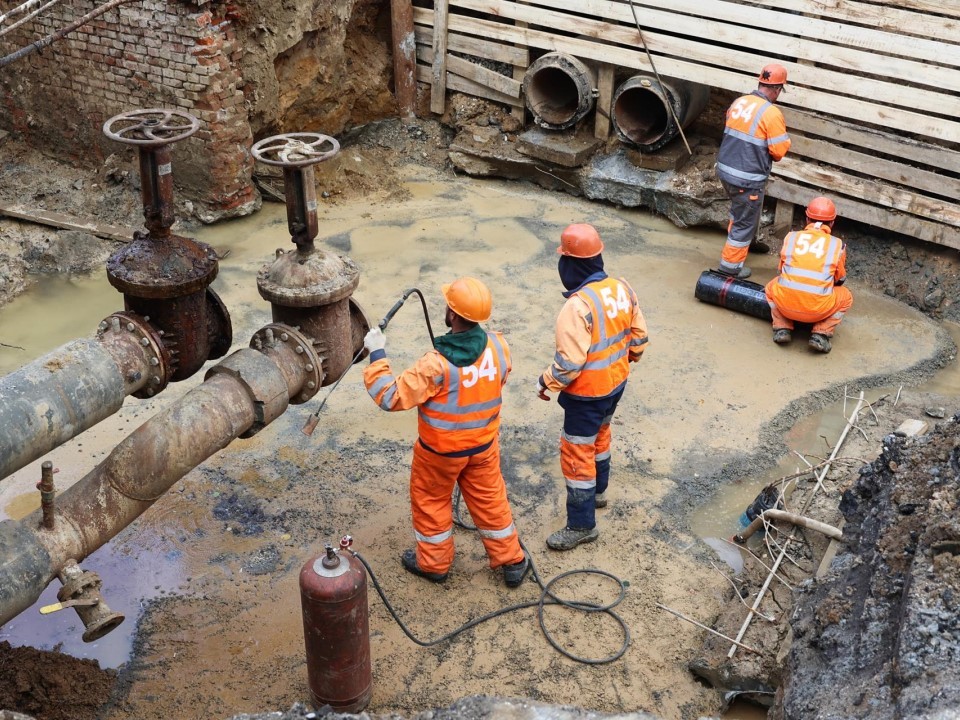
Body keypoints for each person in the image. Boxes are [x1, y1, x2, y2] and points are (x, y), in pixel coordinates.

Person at [361, 277, 529, 587]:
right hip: (482, 447)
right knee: (491, 501)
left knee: (431, 502)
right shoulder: (499, 347)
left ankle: (435, 565)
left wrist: (377, 354)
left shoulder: (434, 366)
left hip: (439, 455)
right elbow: (497, 381)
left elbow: (390, 396)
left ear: (452, 314)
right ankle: (512, 561)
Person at [536, 224, 648, 551]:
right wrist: (626, 361)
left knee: (576, 452)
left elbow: (569, 365)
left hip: (586, 394)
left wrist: (547, 381)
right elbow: (639, 339)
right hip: (616, 384)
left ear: (570, 265)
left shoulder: (577, 306)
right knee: (601, 434)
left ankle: (582, 524)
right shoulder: (622, 287)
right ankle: (599, 492)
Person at [716, 63, 792, 280]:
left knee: (741, 212)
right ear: (777, 89)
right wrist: (786, 141)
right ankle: (730, 266)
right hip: (746, 178)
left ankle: (743, 242)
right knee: (744, 221)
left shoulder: (739, 102)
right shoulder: (771, 113)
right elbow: (778, 152)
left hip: (725, 171)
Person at [765, 196, 853, 354]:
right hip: (817, 311)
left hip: (785, 306)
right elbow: (839, 279)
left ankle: (782, 327)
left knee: (771, 286)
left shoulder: (791, 237)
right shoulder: (837, 245)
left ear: (807, 219)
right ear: (832, 223)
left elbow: (781, 271)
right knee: (846, 296)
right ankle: (821, 333)